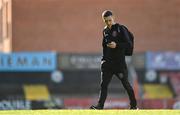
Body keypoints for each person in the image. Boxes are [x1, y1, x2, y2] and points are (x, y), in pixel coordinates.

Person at [90, 10, 137, 109]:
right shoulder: (105, 31)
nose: (108, 23)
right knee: (103, 85)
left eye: (110, 20)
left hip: (119, 64)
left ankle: (134, 106)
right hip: (107, 64)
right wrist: (103, 59)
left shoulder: (120, 29)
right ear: (103, 20)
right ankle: (100, 106)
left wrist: (117, 45)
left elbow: (129, 44)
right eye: (106, 21)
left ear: (113, 17)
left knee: (126, 85)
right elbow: (104, 46)